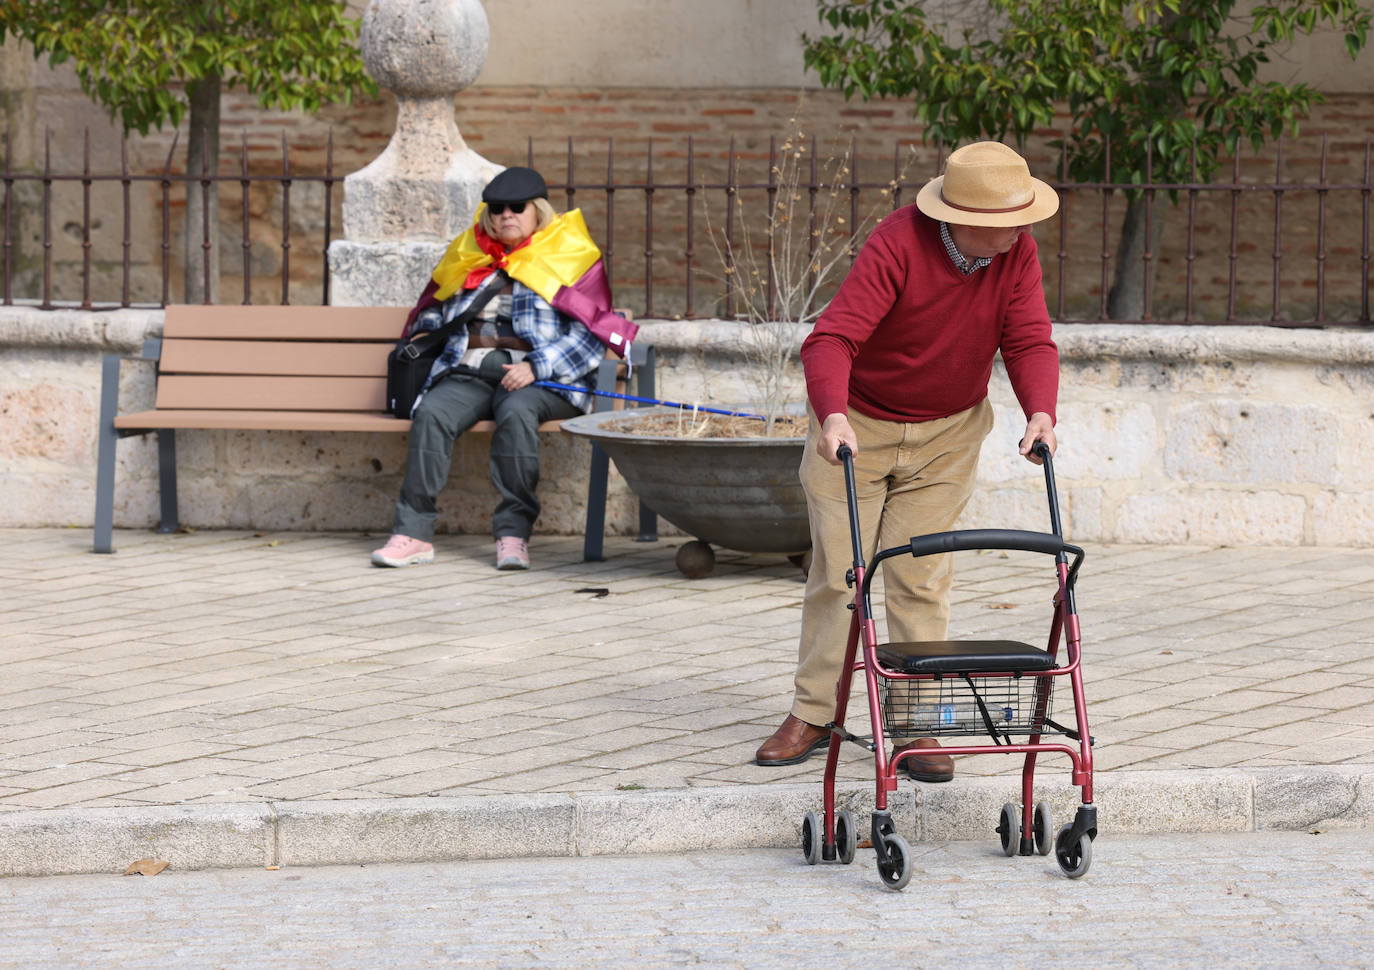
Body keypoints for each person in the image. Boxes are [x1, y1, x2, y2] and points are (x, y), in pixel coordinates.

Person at [753, 141, 1061, 782]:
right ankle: (815, 712)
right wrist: (832, 415)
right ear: (962, 217)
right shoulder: (899, 243)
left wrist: (1041, 412)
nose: (1021, 230)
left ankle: (919, 726)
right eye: (1008, 221)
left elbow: (1028, 336)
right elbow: (832, 338)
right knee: (843, 574)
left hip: (948, 433)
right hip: (857, 427)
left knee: (921, 577)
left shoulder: (1014, 253)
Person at [371, 166, 635, 572]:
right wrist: (425, 340)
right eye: (497, 209)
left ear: (538, 212)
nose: (506, 215)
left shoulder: (571, 254)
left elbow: (592, 335)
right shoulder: (469, 255)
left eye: (517, 207)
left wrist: (536, 365)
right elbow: (434, 313)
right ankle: (414, 534)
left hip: (542, 380)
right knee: (432, 414)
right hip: (470, 371)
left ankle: (513, 535)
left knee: (516, 413)